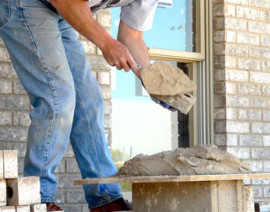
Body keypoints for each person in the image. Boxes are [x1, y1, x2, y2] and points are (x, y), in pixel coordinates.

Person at [0, 0, 159, 211]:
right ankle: (37, 198)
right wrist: (107, 44)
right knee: (58, 97)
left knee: (89, 103)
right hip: (27, 3)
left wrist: (154, 80)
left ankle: (105, 199)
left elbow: (132, 36)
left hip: (60, 11)